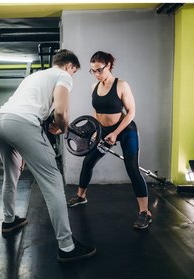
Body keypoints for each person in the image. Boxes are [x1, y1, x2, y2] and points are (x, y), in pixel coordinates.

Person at [0, 49, 96, 262]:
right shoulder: (64, 76)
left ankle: (9, 220)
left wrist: (55, 124)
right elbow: (60, 111)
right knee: (53, 181)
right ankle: (67, 247)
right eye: (74, 71)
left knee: (10, 175)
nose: (72, 76)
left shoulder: (34, 76)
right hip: (21, 124)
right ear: (69, 66)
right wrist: (63, 127)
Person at [67, 51, 152, 229]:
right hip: (104, 132)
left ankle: (145, 212)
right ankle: (81, 196)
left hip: (125, 130)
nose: (97, 74)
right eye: (93, 71)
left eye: (99, 70)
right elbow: (96, 113)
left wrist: (115, 134)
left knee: (132, 168)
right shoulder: (94, 87)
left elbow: (131, 113)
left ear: (109, 66)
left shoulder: (121, 85)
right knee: (88, 161)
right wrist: (96, 131)